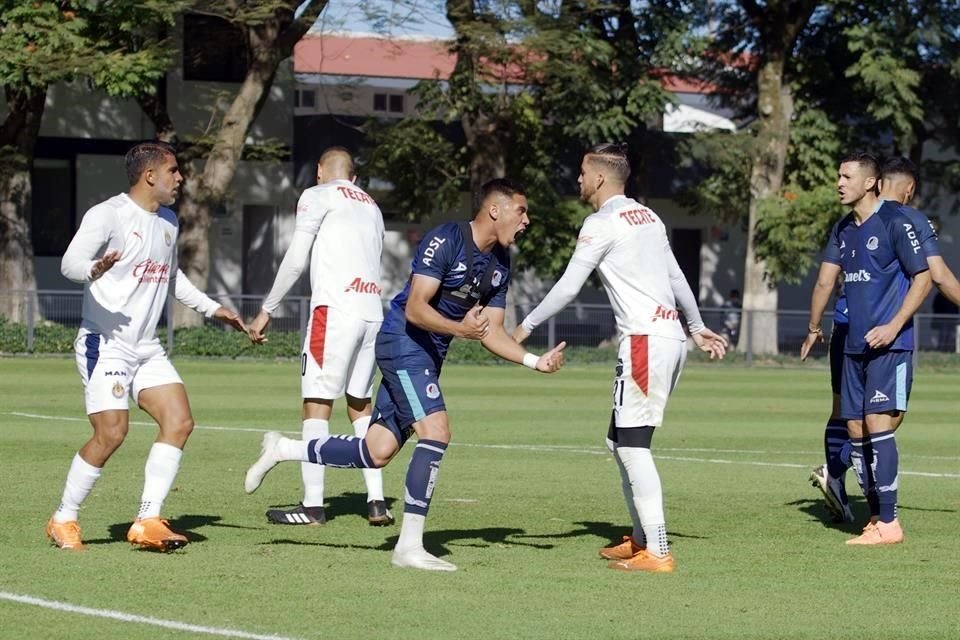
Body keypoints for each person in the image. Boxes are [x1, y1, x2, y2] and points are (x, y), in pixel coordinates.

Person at [244, 178, 566, 571]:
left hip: (428, 356)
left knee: (375, 452)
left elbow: (493, 332)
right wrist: (460, 329)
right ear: (494, 210)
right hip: (402, 343)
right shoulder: (446, 239)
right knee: (437, 431)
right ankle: (408, 547)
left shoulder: (500, 263)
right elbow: (415, 308)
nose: (527, 220)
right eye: (522, 210)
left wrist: (536, 362)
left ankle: (283, 449)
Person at [513, 144, 728, 573]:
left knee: (632, 447)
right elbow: (676, 276)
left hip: (645, 340)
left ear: (598, 178)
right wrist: (697, 325)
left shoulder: (601, 222)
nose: (577, 180)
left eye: (581, 173)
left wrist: (525, 327)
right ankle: (642, 538)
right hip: (667, 336)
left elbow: (570, 285)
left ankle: (659, 551)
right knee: (619, 440)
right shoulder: (649, 216)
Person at [47, 141, 247, 552]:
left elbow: (172, 278)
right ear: (150, 175)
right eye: (173, 171)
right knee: (111, 434)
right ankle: (64, 517)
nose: (180, 178)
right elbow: (70, 263)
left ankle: (147, 520)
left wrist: (214, 309)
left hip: (147, 348)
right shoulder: (108, 215)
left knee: (179, 421)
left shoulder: (169, 221)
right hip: (106, 345)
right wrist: (94, 268)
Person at [802, 155, 960, 525]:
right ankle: (863, 496)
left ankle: (839, 481)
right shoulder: (910, 218)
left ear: (874, 181)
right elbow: (937, 276)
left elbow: (826, 281)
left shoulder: (853, 223)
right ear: (909, 190)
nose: (840, 182)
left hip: (846, 326)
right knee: (886, 419)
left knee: (848, 414)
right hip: (881, 331)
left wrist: (813, 327)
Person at [246, 148, 392, 527]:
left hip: (335, 311)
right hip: (372, 313)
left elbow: (297, 257)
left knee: (316, 405)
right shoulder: (372, 206)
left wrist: (267, 309)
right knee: (360, 405)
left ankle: (313, 506)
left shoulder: (317, 195)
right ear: (355, 177)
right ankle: (377, 501)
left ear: (318, 172)